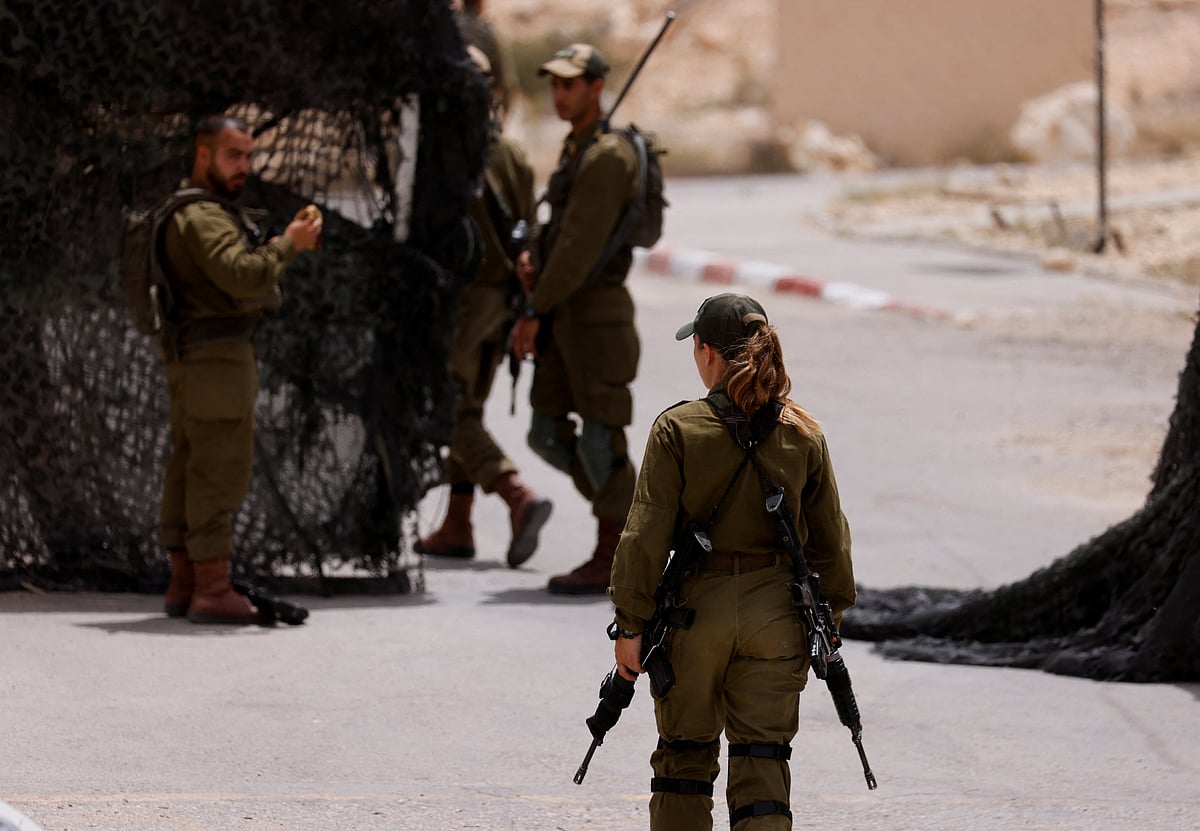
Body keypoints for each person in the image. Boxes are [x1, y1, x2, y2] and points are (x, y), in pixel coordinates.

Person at [607, 293, 857, 830]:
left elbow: (644, 538)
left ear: (707, 352)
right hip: (777, 618)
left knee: (684, 762)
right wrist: (828, 621)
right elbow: (832, 545)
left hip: (694, 616)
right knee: (763, 764)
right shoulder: (803, 432)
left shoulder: (677, 430)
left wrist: (629, 625)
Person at [159, 114, 322, 624]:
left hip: (201, 360)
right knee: (217, 470)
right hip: (216, 360)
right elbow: (242, 276)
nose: (243, 167)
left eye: (248, 157)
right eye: (233, 155)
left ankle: (186, 581)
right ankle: (211, 586)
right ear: (202, 154)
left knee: (191, 466)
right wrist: (289, 243)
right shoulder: (203, 216)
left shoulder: (192, 210)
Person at [510, 43, 642, 594]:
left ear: (596, 87)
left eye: (570, 84)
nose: (560, 94)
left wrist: (535, 309)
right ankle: (642, 528)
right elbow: (561, 238)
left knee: (598, 440)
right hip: (567, 313)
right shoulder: (577, 148)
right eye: (555, 85)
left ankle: (620, 548)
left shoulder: (608, 155)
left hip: (595, 318)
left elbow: (581, 249)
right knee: (545, 434)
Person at [416, 46, 553, 567]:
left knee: (447, 409)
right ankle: (457, 520)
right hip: (503, 303)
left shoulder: (443, 152)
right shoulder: (510, 152)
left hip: (462, 300)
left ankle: (517, 496)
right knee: (466, 407)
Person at [455, 0, 519, 117]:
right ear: (480, 4)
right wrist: (505, 113)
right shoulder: (489, 35)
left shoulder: (451, 28)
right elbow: (506, 82)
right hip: (478, 110)